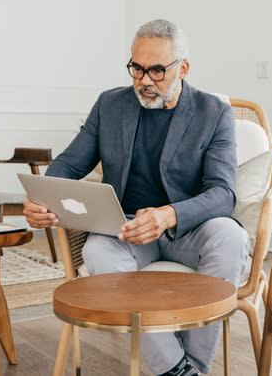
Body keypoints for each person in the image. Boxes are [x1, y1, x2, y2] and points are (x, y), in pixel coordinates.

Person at [23, 19, 248, 376]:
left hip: (188, 230)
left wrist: (167, 215)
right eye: (137, 68)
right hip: (126, 230)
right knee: (97, 251)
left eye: (157, 70)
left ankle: (195, 365)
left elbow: (223, 193)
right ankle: (174, 369)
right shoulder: (110, 105)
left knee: (232, 237)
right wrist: (43, 197)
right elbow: (69, 163)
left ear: (183, 68)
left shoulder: (213, 111)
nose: (144, 80)